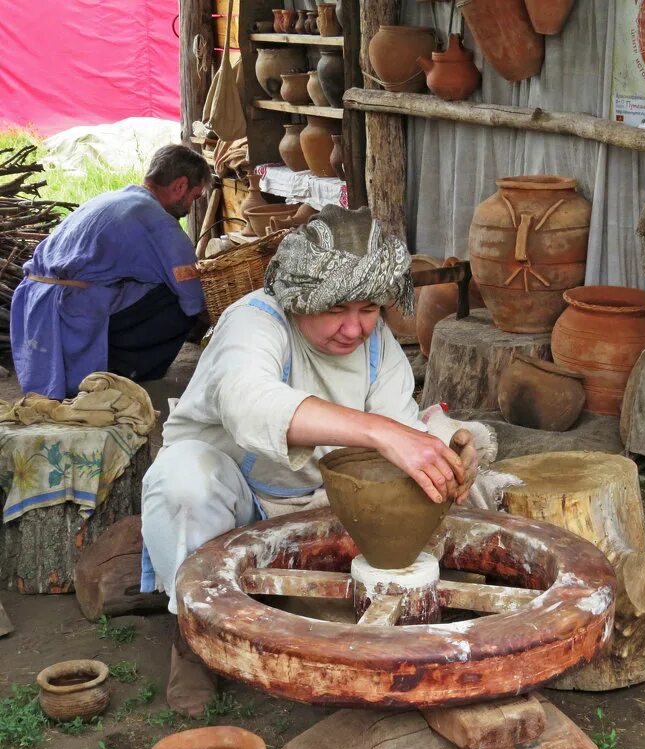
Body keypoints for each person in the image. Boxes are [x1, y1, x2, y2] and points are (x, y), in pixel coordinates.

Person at [141, 205, 487, 716]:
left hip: (319, 504)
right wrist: (381, 432)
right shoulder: (255, 321)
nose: (354, 329)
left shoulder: (377, 345)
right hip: (235, 505)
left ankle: (308, 598)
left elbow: (402, 423)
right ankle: (192, 636)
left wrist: (444, 441)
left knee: (453, 466)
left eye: (369, 308)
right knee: (184, 478)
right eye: (336, 309)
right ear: (299, 297)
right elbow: (249, 403)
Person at [11, 144, 210, 400]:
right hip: (69, 309)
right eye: (194, 197)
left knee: (156, 285)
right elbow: (194, 295)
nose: (191, 208)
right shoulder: (159, 222)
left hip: (32, 301)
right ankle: (123, 372)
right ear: (180, 186)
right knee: (177, 302)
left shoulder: (113, 198)